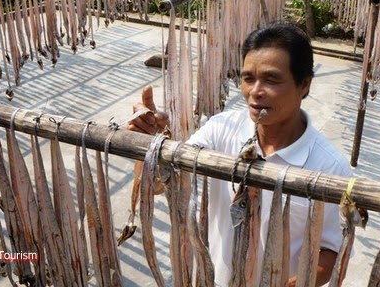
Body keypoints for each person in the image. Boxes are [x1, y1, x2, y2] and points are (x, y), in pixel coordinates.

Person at [128, 22, 353, 286]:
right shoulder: (220, 130)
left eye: (271, 79)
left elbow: (332, 250)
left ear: (304, 84)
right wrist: (148, 146)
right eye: (248, 78)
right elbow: (158, 183)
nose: (255, 91)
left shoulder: (331, 168)